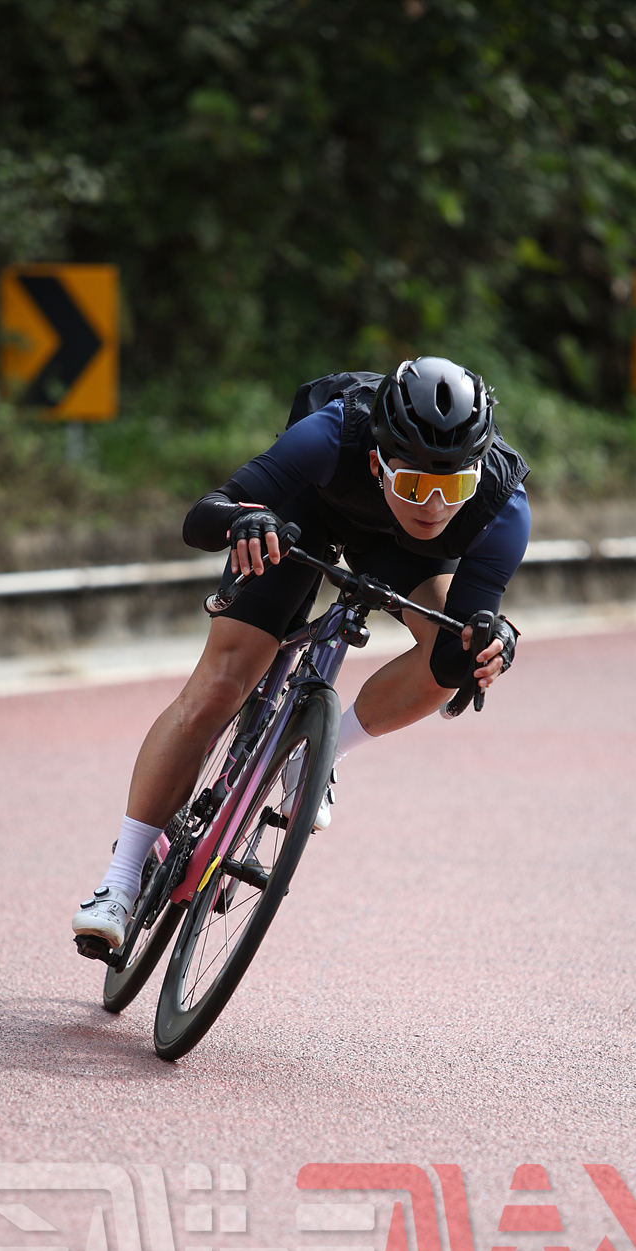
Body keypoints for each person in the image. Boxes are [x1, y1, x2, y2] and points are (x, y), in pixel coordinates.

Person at [72, 355, 529, 950]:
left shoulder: (503, 504)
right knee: (221, 684)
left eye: (454, 486)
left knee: (454, 659)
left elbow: (467, 632)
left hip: (403, 554)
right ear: (378, 462)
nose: (435, 506)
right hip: (304, 514)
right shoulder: (334, 432)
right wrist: (244, 522)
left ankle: (320, 752)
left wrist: (490, 644)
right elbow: (202, 517)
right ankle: (120, 879)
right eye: (415, 485)